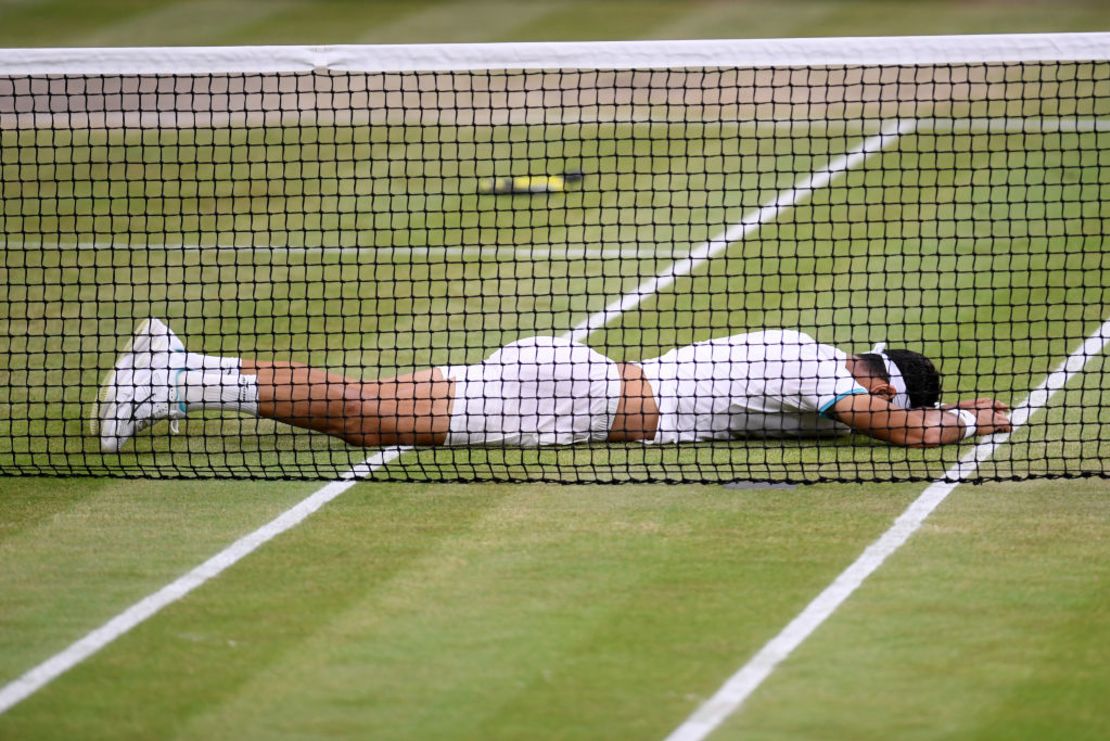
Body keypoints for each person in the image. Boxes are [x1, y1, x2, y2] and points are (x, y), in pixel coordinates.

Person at [93, 318, 1012, 454]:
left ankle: (184, 371)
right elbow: (894, 433)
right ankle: (176, 377)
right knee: (371, 416)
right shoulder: (823, 376)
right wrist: (973, 418)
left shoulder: (804, 352)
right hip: (571, 398)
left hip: (571, 379)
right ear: (886, 387)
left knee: (366, 404)